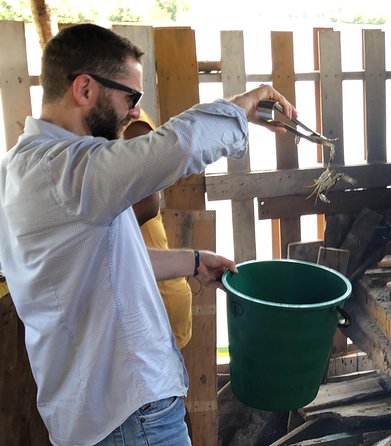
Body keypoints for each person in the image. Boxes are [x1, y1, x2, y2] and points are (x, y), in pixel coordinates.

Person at [0, 23, 296, 446]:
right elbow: (172, 148)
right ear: (84, 89)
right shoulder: (64, 172)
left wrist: (192, 260)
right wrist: (240, 106)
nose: (135, 112)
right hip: (130, 419)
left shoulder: (23, 166)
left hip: (96, 415)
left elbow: (101, 261)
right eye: (130, 96)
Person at [124, 111, 194, 350]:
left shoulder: (131, 123)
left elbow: (146, 203)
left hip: (154, 295)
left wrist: (85, 236)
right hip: (142, 291)